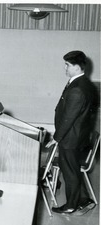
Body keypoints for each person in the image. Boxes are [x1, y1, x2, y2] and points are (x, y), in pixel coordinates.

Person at [46, 51, 97, 216]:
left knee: (69, 172)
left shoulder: (77, 89)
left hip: (70, 138)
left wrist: (56, 138)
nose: (65, 68)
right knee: (73, 170)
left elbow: (68, 118)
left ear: (76, 66)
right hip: (77, 136)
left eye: (67, 65)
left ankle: (70, 205)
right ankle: (83, 199)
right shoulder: (83, 83)